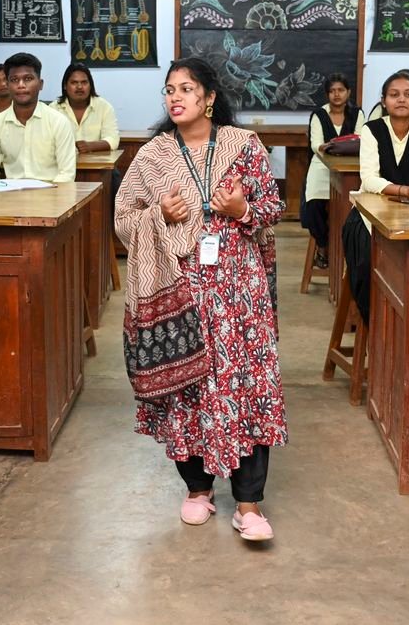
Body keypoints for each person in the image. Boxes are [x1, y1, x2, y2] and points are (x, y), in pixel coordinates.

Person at [115, 57, 286, 542]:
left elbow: (274, 207)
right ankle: (197, 490)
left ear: (209, 97)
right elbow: (123, 218)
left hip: (238, 290)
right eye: (169, 90)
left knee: (244, 383)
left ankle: (248, 503)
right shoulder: (152, 156)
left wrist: (242, 208)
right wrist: (159, 215)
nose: (175, 97)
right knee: (187, 385)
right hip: (180, 285)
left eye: (186, 89)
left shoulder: (242, 146)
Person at [344, 71, 409, 320]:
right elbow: (369, 179)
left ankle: (403, 326)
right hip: (370, 214)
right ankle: (374, 324)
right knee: (368, 265)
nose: (401, 100)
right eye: (394, 95)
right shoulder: (372, 130)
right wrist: (404, 189)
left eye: (408, 95)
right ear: (383, 101)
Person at [0, 52, 76, 183]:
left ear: (40, 84)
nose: (21, 85)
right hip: (10, 198)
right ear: (7, 84)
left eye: (28, 79)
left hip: (53, 196)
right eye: (14, 80)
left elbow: (67, 174)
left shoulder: (58, 122)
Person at [299, 73, 360, 269]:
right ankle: (324, 246)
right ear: (327, 94)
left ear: (348, 92)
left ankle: (346, 248)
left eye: (340, 90)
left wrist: (334, 145)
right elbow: (316, 145)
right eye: (332, 91)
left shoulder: (357, 114)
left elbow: (361, 140)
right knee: (313, 206)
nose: (336, 95)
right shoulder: (319, 115)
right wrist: (339, 145)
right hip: (321, 167)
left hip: (350, 169)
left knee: (353, 208)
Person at [53, 62, 120, 153]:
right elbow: (45, 141)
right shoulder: (53, 109)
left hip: (96, 164)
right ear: (65, 86)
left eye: (84, 82)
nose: (79, 87)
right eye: (74, 82)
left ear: (90, 85)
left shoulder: (104, 107)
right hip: (61, 164)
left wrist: (90, 146)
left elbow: (113, 140)